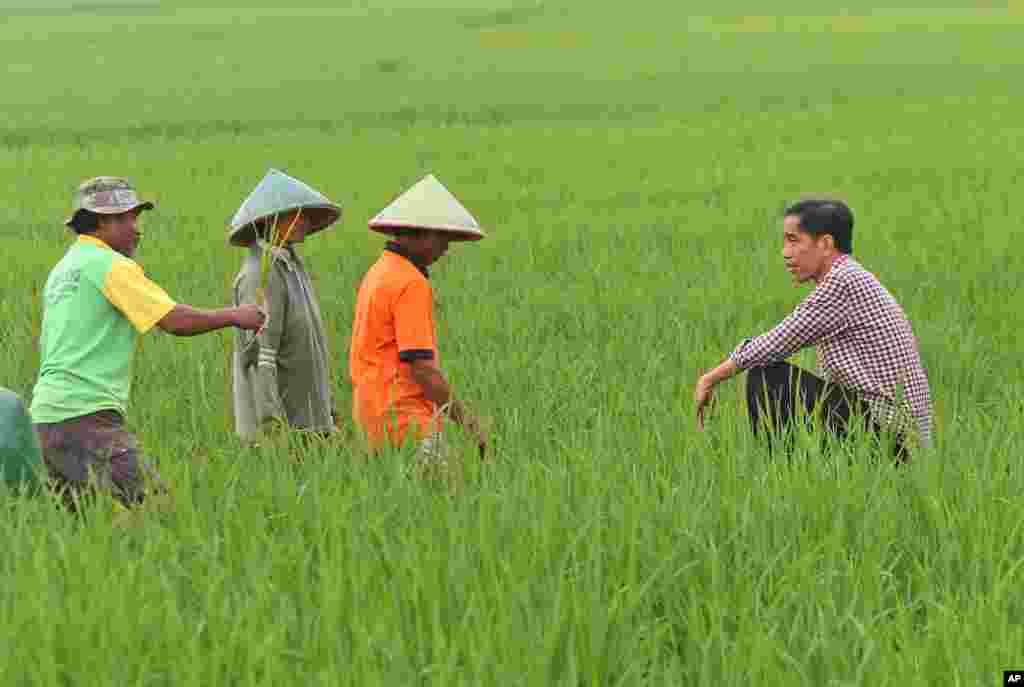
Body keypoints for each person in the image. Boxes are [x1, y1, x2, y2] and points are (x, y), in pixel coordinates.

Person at [30, 177, 266, 509]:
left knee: (89, 529)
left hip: (45, 420)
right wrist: (235, 315)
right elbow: (173, 320)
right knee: (159, 512)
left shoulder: (65, 269)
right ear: (101, 222)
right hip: (87, 417)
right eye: (127, 218)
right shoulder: (110, 265)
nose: (136, 228)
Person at [693, 198, 932, 458]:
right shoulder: (852, 276)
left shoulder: (842, 282)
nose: (785, 252)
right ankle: (809, 472)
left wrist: (710, 378)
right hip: (894, 431)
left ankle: (781, 474)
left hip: (893, 437)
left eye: (794, 240)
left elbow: (775, 343)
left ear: (826, 244)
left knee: (766, 376)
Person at [349, 174, 488, 468]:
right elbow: (423, 369)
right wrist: (469, 422)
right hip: (407, 420)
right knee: (451, 502)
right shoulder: (411, 283)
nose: (446, 249)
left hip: (371, 418)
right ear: (419, 233)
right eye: (442, 238)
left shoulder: (378, 272)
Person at [229, 169, 340, 444]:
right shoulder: (260, 275)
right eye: (295, 215)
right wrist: (273, 425)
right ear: (271, 219)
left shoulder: (290, 265)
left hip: (310, 423)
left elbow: (309, 350)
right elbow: (261, 356)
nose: (304, 221)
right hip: (285, 431)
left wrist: (327, 410)